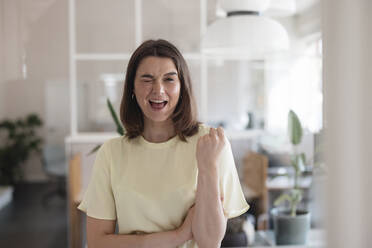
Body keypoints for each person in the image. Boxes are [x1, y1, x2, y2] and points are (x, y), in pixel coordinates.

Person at [77, 39, 249, 248]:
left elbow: (210, 241)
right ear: (132, 87)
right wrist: (178, 235)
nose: (158, 90)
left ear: (182, 87)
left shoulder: (211, 144)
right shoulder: (112, 152)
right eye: (147, 79)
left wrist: (207, 167)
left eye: (169, 79)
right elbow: (97, 242)